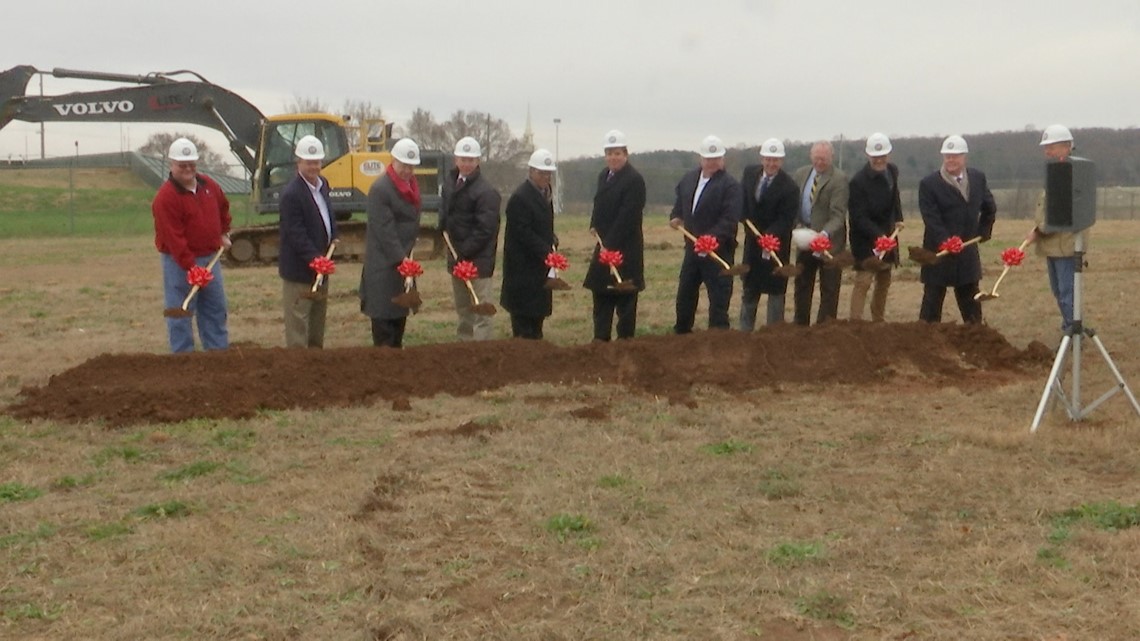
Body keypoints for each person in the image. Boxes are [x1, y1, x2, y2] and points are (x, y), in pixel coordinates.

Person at [152, 137, 231, 353]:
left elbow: (223, 207)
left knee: (215, 308)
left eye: (191, 165)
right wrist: (190, 266)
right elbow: (173, 238)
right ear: (172, 165)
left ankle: (218, 355)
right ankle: (183, 357)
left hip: (210, 259)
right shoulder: (165, 198)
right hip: (178, 263)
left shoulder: (209, 186)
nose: (188, 169)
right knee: (181, 310)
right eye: (182, 165)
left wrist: (223, 231)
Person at [917, 135, 996, 324]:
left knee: (971, 304)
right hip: (938, 253)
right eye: (947, 156)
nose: (951, 160)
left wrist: (984, 230)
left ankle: (976, 338)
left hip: (967, 253)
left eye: (956, 156)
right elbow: (931, 218)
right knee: (932, 303)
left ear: (964, 157)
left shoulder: (977, 178)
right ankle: (926, 340)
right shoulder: (929, 184)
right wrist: (947, 241)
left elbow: (990, 207)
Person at [669, 135, 742, 333]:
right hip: (693, 250)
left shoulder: (730, 186)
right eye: (708, 159)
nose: (712, 163)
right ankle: (682, 332)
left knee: (719, 297)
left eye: (716, 159)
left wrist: (711, 238)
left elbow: (730, 218)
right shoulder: (689, 179)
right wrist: (676, 217)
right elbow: (680, 205)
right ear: (701, 159)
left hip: (718, 252)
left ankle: (718, 336)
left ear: (723, 160)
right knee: (685, 293)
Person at [583, 129, 646, 341]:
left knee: (625, 299)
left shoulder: (634, 180)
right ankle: (600, 342)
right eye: (609, 153)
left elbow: (628, 216)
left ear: (625, 154)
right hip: (604, 246)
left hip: (626, 249)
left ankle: (625, 344)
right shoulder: (604, 176)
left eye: (617, 153)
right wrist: (594, 224)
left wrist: (610, 244)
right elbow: (599, 204)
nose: (613, 158)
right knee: (601, 295)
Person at [360, 137, 422, 347]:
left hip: (402, 264)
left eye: (411, 166)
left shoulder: (411, 187)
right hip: (383, 267)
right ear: (393, 161)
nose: (407, 170)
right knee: (384, 323)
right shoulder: (381, 189)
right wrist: (402, 260)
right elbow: (385, 231)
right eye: (403, 165)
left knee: (398, 321)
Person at [278, 134, 337, 348]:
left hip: (321, 268)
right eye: (309, 162)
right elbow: (296, 233)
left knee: (317, 323)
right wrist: (315, 259)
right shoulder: (291, 195)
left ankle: (315, 365)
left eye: (317, 162)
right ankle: (298, 366)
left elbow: (327, 216)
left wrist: (333, 237)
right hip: (300, 271)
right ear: (299, 163)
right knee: (298, 323)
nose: (314, 167)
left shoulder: (323, 185)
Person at [440, 136, 502, 341]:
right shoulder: (450, 183)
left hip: (478, 261)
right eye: (462, 159)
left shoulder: (486, 192)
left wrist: (464, 252)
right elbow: (446, 214)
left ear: (478, 162)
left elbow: (486, 229)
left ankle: (481, 350)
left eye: (471, 160)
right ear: (456, 160)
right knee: (463, 308)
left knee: (481, 310)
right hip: (457, 258)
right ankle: (464, 347)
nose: (466, 164)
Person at [738, 138, 798, 329]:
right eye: (768, 159)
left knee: (775, 289)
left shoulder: (790, 187)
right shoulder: (749, 174)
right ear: (762, 158)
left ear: (782, 161)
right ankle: (745, 333)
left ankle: (774, 333)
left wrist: (769, 236)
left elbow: (787, 219)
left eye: (776, 160)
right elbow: (743, 199)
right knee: (750, 288)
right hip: (752, 244)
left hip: (775, 244)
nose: (772, 164)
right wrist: (742, 215)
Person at [501, 149, 559, 339]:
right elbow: (522, 232)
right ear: (531, 172)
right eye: (541, 173)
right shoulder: (520, 198)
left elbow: (542, 226)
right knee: (523, 324)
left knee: (537, 321)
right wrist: (546, 250)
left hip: (539, 270)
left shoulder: (546, 195)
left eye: (548, 173)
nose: (545, 177)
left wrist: (552, 239)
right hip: (522, 271)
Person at [848, 133, 904, 322]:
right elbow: (858, 217)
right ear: (868, 156)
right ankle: (855, 322)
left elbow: (894, 196)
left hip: (888, 235)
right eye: (875, 156)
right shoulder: (858, 182)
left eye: (883, 156)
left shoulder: (892, 171)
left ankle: (877, 320)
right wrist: (879, 237)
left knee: (884, 279)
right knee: (864, 281)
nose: (879, 160)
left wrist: (899, 218)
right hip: (865, 238)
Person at [1028, 124, 1079, 334]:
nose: (1047, 151)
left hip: (1066, 247)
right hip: (1053, 247)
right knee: (1059, 292)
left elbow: (1060, 214)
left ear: (1067, 147)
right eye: (1046, 147)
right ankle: (1069, 329)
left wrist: (1038, 232)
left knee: (1067, 293)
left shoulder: (1072, 173)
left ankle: (1073, 332)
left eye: (1052, 146)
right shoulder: (1056, 172)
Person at [792, 141, 848, 325]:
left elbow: (838, 215)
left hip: (829, 242)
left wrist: (823, 235)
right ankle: (800, 326)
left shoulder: (839, 179)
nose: (820, 162)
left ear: (831, 157)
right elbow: (795, 206)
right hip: (804, 239)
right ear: (811, 156)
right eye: (816, 158)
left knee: (829, 288)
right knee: (802, 284)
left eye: (823, 159)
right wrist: (798, 228)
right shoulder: (801, 174)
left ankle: (825, 329)